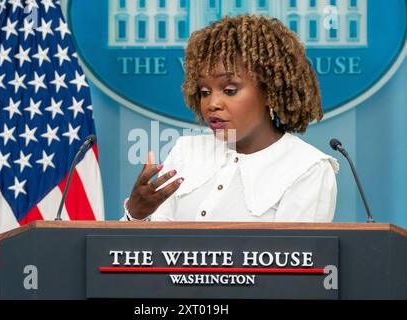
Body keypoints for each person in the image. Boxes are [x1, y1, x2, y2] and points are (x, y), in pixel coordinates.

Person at [123, 14, 339, 222]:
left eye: (229, 90)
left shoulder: (308, 168)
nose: (212, 104)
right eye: (204, 92)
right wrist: (136, 214)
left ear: (269, 91)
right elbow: (145, 252)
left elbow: (299, 256)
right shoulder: (185, 151)